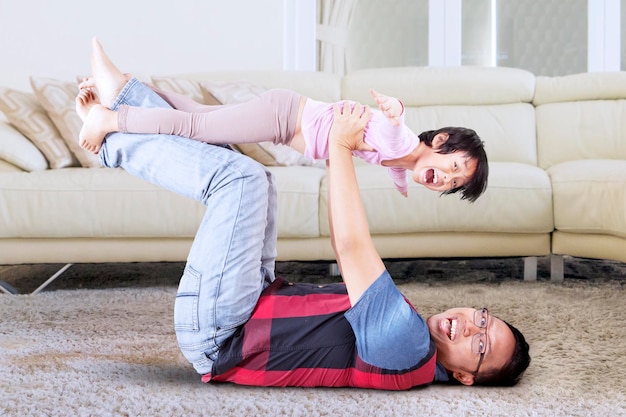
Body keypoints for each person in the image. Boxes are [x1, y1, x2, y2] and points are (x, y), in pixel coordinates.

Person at [78, 38, 530, 389]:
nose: (471, 325)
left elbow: (350, 246)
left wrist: (339, 146)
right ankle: (127, 97)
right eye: (484, 319)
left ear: (467, 377)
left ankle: (115, 134)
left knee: (243, 181)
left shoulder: (408, 346)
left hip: (223, 333)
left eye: (480, 343)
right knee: (257, 177)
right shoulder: (411, 343)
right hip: (248, 305)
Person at [78, 38, 488, 201]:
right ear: (440, 140)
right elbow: (394, 126)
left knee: (199, 117)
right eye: (453, 167)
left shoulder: (405, 162)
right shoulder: (404, 141)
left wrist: (402, 186)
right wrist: (394, 110)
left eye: (454, 184)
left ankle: (130, 87)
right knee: (197, 130)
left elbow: (396, 169)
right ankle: (110, 120)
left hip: (284, 119)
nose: (446, 179)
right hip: (285, 117)